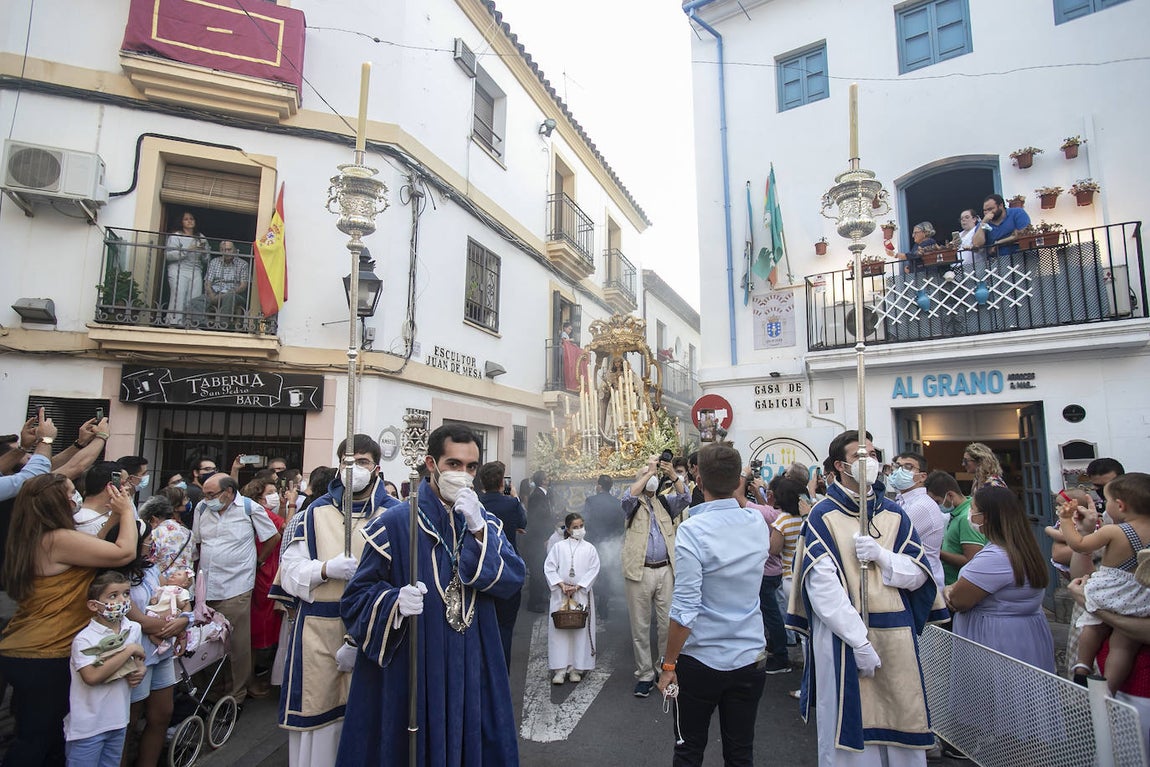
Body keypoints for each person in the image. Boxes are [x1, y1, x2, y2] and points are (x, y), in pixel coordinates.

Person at [337, 424, 525, 766]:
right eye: (454, 464)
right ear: (431, 464)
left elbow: (513, 580)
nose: (463, 475)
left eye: (471, 467)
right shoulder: (396, 523)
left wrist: (478, 530)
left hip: (474, 660)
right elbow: (355, 599)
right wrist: (392, 602)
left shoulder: (485, 522)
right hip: (417, 661)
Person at [786, 430, 947, 766]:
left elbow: (920, 574)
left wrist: (882, 557)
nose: (870, 462)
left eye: (873, 455)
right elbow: (822, 588)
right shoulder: (822, 516)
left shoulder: (895, 514)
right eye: (861, 456)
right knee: (852, 741)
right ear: (841, 466)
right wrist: (859, 640)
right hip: (844, 640)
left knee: (902, 722)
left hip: (895, 635)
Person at [272, 434, 401, 767]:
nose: (354, 468)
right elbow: (289, 572)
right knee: (321, 723)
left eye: (362, 462)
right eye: (347, 461)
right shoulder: (312, 513)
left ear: (376, 467)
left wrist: (363, 637)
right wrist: (326, 569)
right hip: (319, 631)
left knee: (372, 721)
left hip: (374, 633)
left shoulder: (396, 515)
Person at [0, 474, 138, 765]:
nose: (78, 496)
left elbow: (90, 551)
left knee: (41, 738)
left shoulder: (33, 536)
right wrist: (127, 511)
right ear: (59, 502)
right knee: (38, 741)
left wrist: (112, 518)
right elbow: (123, 552)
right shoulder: (57, 539)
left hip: (26, 649)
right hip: (45, 653)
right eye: (73, 492)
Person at [656, 443, 770, 766]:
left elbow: (685, 610)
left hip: (701, 660)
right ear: (739, 480)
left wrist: (668, 665)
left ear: (699, 481)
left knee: (689, 750)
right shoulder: (756, 523)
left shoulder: (693, 529)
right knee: (740, 752)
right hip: (749, 656)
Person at [191, 473, 280, 704]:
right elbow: (197, 543)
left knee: (237, 646)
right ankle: (213, 692)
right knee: (206, 643)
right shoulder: (201, 509)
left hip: (237, 586)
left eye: (212, 494)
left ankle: (236, 696)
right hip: (206, 588)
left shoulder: (249, 508)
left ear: (229, 492)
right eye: (205, 494)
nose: (207, 498)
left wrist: (258, 561)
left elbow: (272, 537)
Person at [944, 486, 1055, 672]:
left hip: (996, 640)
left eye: (973, 509)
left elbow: (958, 600)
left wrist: (948, 590)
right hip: (1023, 635)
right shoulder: (1020, 547)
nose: (970, 514)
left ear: (985, 517)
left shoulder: (995, 557)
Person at [1059, 472, 1150, 692]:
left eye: (1106, 500)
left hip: (1110, 592)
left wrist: (1066, 521)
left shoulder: (1114, 531)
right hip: (1139, 597)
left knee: (1091, 626)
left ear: (1120, 505)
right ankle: (1109, 687)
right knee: (1123, 645)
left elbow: (1079, 545)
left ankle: (1082, 666)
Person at [120, 517, 188, 767]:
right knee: (129, 719)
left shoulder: (151, 569)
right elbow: (136, 618)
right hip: (136, 654)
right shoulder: (116, 576)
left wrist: (183, 621)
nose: (151, 544)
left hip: (161, 651)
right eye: (147, 540)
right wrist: (173, 626)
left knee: (162, 714)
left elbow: (168, 597)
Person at [621, 454, 689, 698]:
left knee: (665, 625)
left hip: (665, 571)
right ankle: (644, 675)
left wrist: (671, 474)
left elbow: (685, 497)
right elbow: (628, 496)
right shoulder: (633, 505)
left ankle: (664, 670)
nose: (650, 479)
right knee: (640, 626)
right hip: (639, 572)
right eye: (645, 474)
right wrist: (648, 473)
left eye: (652, 474)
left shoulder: (665, 502)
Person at [65, 571, 146, 767]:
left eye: (126, 594)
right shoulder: (85, 639)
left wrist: (140, 669)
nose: (122, 599)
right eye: (113, 595)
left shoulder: (133, 628)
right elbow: (91, 676)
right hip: (88, 728)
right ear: (94, 605)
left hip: (118, 721)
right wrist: (129, 651)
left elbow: (138, 661)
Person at [475, 461, 527, 670]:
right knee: (505, 626)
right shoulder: (511, 504)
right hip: (506, 571)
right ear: (501, 483)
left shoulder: (476, 503)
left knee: (480, 624)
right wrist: (514, 496)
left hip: (480, 570)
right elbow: (523, 523)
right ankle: (501, 669)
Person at [545, 512, 600, 685]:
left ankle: (577, 668)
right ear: (568, 529)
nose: (579, 530)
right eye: (575, 527)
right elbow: (549, 568)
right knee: (559, 631)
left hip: (581, 594)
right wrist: (561, 585)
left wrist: (578, 586)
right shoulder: (559, 547)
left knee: (579, 631)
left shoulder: (590, 548)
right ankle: (560, 669)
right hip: (560, 595)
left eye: (581, 526)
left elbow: (594, 569)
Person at [244, 478, 287, 698]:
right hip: (265, 572)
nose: (275, 496)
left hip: (267, 570)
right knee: (256, 628)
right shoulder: (262, 513)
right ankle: (250, 680)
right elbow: (284, 530)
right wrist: (260, 560)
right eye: (270, 492)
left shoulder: (260, 513)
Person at [745, 473, 791, 675]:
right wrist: (758, 490)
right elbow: (766, 509)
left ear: (772, 494)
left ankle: (780, 656)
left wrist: (744, 476)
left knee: (771, 615)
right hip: (777, 572)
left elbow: (741, 500)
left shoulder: (773, 516)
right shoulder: (783, 515)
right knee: (772, 612)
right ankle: (775, 645)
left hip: (767, 571)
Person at [888, 453, 947, 590]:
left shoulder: (921, 506)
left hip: (925, 585)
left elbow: (891, 539)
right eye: (897, 466)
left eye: (908, 467)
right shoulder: (902, 501)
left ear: (922, 477)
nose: (899, 471)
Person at [925, 471, 985, 586]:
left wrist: (935, 552)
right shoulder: (957, 513)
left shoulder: (966, 518)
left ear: (950, 495)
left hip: (958, 586)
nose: (935, 506)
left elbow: (971, 560)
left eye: (937, 501)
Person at [583, 474, 624, 620]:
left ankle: (585, 605)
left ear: (599, 486)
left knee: (589, 573)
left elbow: (585, 521)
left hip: (592, 542)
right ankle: (603, 607)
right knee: (606, 574)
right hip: (609, 544)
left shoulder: (591, 501)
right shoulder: (617, 502)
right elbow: (621, 526)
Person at [185, 240, 249, 328]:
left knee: (229, 297)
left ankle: (223, 325)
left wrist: (227, 294)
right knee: (194, 302)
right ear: (220, 251)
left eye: (229, 249)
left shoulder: (243, 264)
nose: (226, 252)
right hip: (215, 292)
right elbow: (207, 282)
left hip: (233, 293)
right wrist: (211, 295)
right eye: (223, 250)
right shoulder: (214, 262)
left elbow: (243, 286)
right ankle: (203, 324)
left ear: (234, 250)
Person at [163, 211, 209, 326]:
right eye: (186, 219)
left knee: (195, 297)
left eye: (191, 219)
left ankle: (192, 324)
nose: (190, 221)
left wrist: (203, 252)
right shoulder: (176, 236)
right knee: (179, 295)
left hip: (196, 269)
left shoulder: (201, 237)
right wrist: (188, 250)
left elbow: (207, 258)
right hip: (178, 269)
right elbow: (168, 255)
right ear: (181, 222)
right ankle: (174, 322)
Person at [139, 495, 194, 582]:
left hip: (163, 585)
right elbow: (193, 557)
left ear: (153, 519)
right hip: (185, 583)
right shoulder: (188, 532)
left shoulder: (154, 534)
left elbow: (146, 560)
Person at [525, 470, 554, 613]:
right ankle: (533, 602)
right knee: (537, 570)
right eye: (546, 477)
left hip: (541, 537)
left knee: (542, 568)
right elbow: (537, 519)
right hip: (537, 539)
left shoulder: (543, 494)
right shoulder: (537, 496)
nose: (549, 478)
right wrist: (544, 537)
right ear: (542, 480)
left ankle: (540, 596)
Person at [74, 461, 129, 537]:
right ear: (111, 486)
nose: (128, 487)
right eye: (123, 484)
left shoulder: (113, 514)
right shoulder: (85, 522)